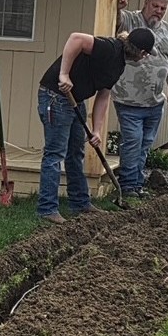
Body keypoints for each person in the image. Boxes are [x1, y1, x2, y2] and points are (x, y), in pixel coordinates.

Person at [37, 27, 156, 223]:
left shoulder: (119, 64)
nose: (145, 57)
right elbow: (76, 38)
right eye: (146, 54)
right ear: (142, 52)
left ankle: (80, 204)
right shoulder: (110, 48)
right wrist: (64, 75)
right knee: (55, 154)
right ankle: (47, 208)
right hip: (55, 97)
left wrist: (97, 130)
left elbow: (103, 96)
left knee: (75, 153)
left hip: (75, 100)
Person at [112, 0, 168, 198]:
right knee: (133, 141)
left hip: (155, 102)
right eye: (155, 6)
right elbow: (115, 22)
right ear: (146, 3)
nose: (158, 11)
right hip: (128, 99)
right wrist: (118, 8)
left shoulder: (167, 30)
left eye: (163, 8)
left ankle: (137, 185)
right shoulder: (131, 20)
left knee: (144, 145)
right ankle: (127, 186)